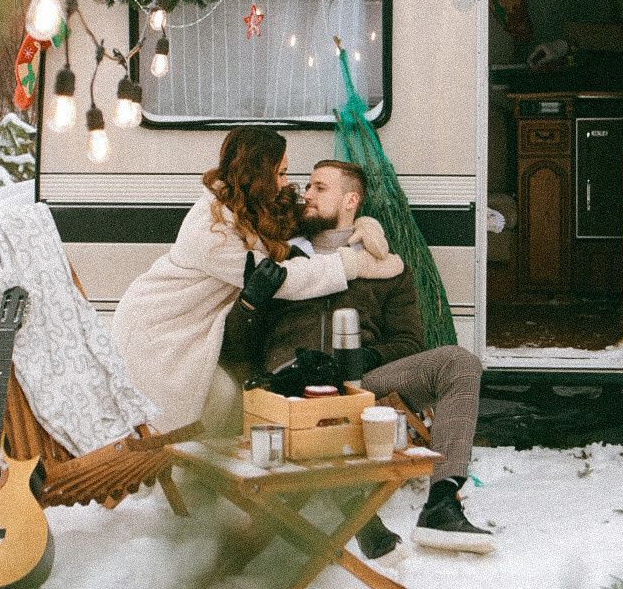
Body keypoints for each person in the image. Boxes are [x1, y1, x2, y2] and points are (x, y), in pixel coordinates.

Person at [233, 158, 492, 558]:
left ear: (351, 199)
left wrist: (365, 356)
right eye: (308, 186)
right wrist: (250, 304)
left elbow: (409, 342)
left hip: (362, 382)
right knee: (315, 402)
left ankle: (441, 503)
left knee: (460, 362)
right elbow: (239, 343)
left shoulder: (388, 268)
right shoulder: (280, 255)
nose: (307, 194)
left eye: (320, 188)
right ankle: (362, 521)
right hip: (290, 384)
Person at [111, 128, 404, 432]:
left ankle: (190, 468)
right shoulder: (210, 229)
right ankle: (178, 470)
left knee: (223, 397)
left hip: (189, 328)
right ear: (260, 174)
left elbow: (319, 220)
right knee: (215, 398)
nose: (286, 184)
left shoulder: (245, 207)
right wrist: (354, 263)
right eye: (280, 174)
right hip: (160, 329)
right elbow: (281, 280)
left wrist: (364, 223)